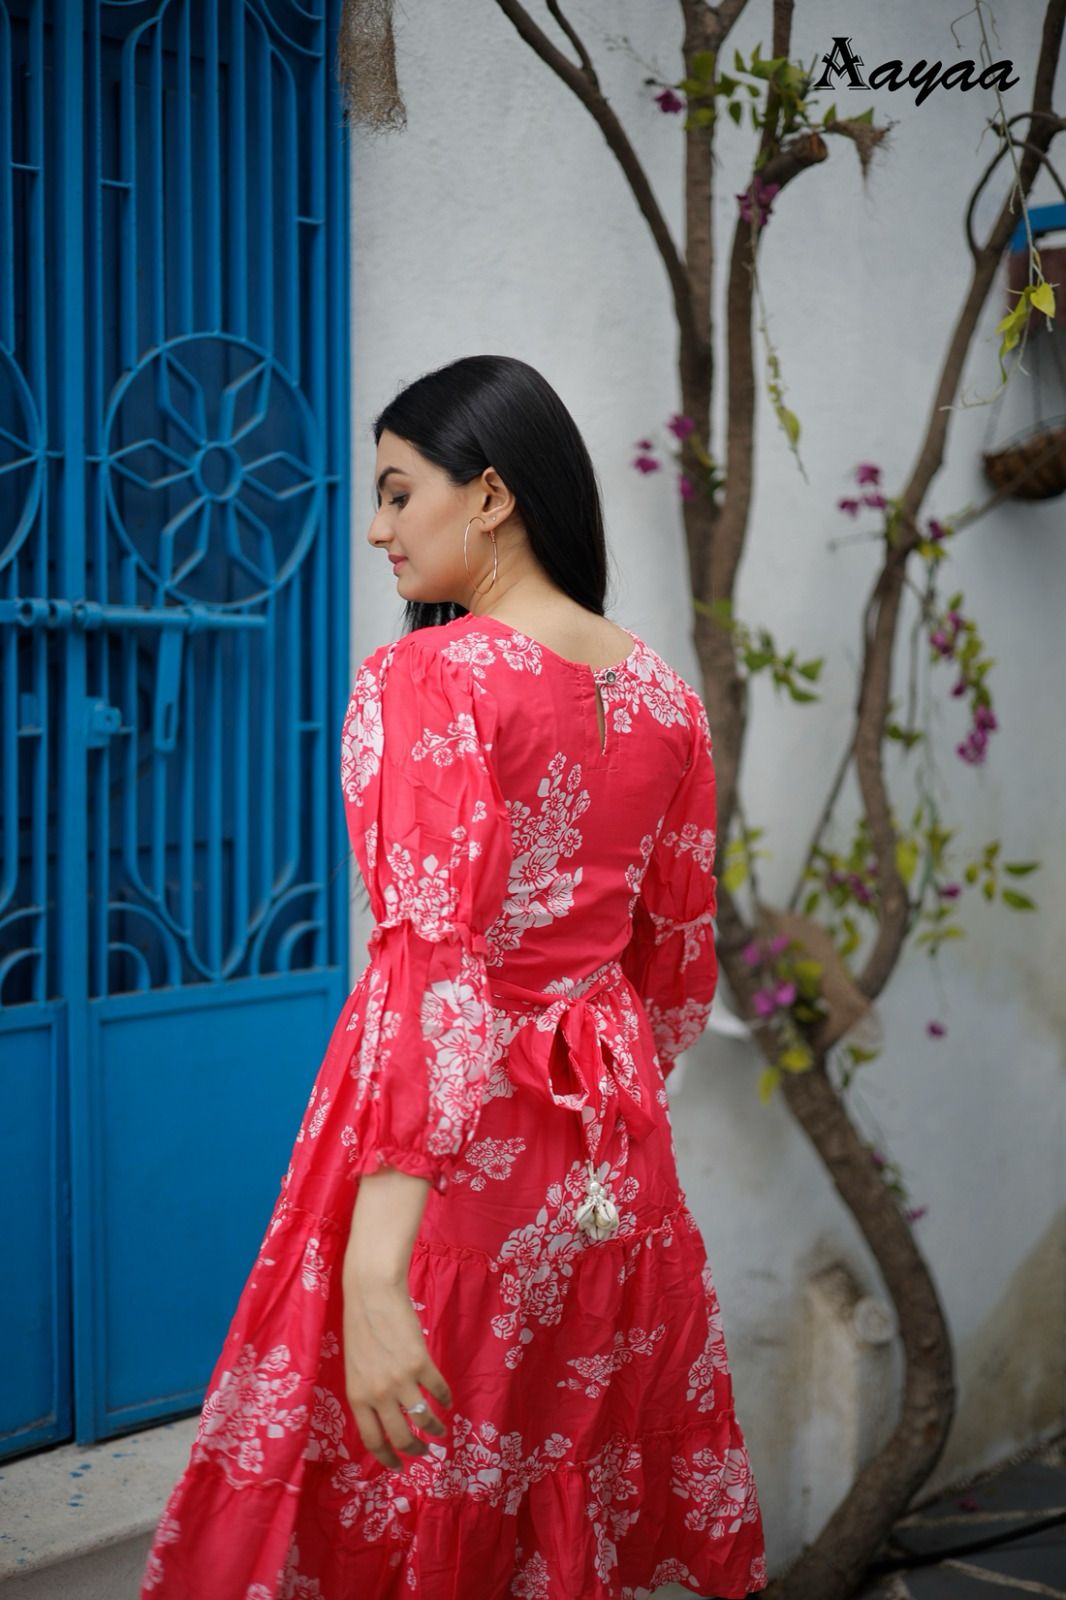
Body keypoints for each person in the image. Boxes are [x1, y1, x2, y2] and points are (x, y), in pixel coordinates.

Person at [140, 354, 768, 1599]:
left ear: (489, 494)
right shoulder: (665, 697)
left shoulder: (428, 677)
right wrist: (588, 1086)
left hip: (442, 1162)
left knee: (410, 1480)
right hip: (604, 1160)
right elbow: (678, 972)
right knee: (543, 1457)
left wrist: (376, 1266)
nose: (377, 529)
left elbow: (434, 970)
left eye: (396, 492)